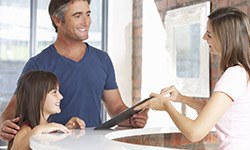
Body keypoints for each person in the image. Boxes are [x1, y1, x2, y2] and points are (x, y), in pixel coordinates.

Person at [0, 0, 148, 141]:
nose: (86, 22)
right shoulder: (38, 64)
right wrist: (4, 125)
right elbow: (11, 112)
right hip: (52, 147)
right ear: (58, 20)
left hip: (94, 146)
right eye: (78, 16)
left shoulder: (102, 59)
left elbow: (116, 107)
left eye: (88, 14)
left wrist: (132, 119)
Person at [135, 7, 250, 149]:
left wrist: (166, 105)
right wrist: (181, 98)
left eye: (209, 34)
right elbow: (214, 110)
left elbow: (195, 133)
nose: (204, 38)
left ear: (225, 39)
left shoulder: (233, 75)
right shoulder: (243, 72)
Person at [7, 70, 85, 150]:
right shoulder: (25, 130)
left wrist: (65, 129)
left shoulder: (47, 127)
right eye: (54, 92)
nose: (61, 96)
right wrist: (39, 129)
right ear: (37, 97)